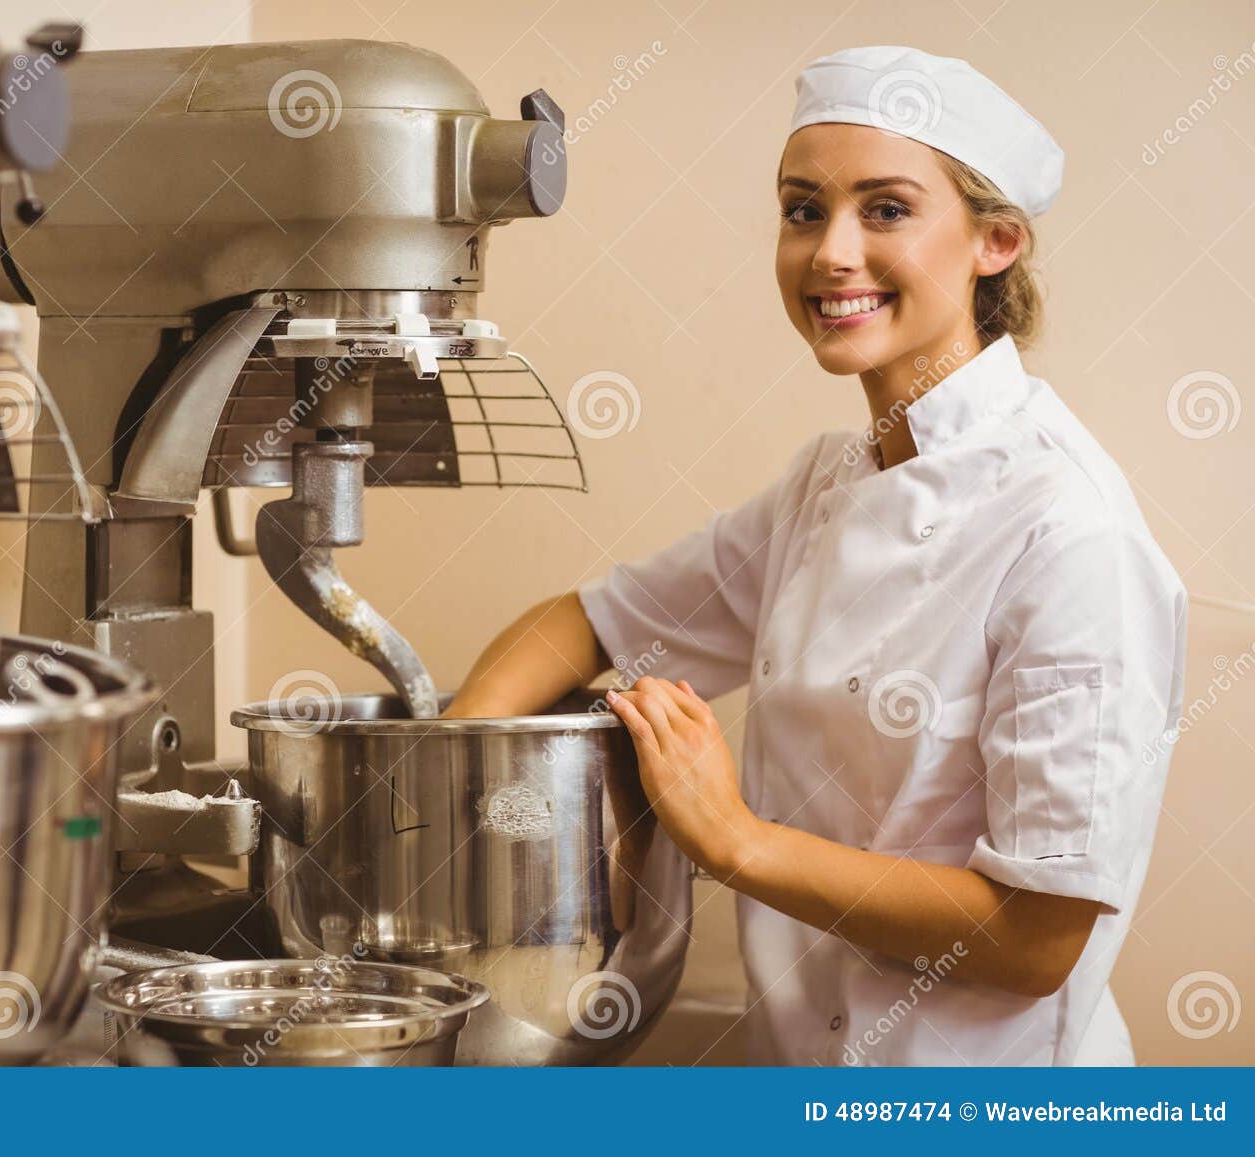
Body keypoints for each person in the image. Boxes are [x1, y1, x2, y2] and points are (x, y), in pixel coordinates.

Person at [444, 45, 1188, 1066]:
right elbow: (582, 622)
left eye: (884, 209)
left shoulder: (1068, 529)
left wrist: (733, 839)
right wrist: (442, 775)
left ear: (995, 240)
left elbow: (1034, 937)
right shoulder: (821, 486)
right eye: (804, 210)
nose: (831, 251)